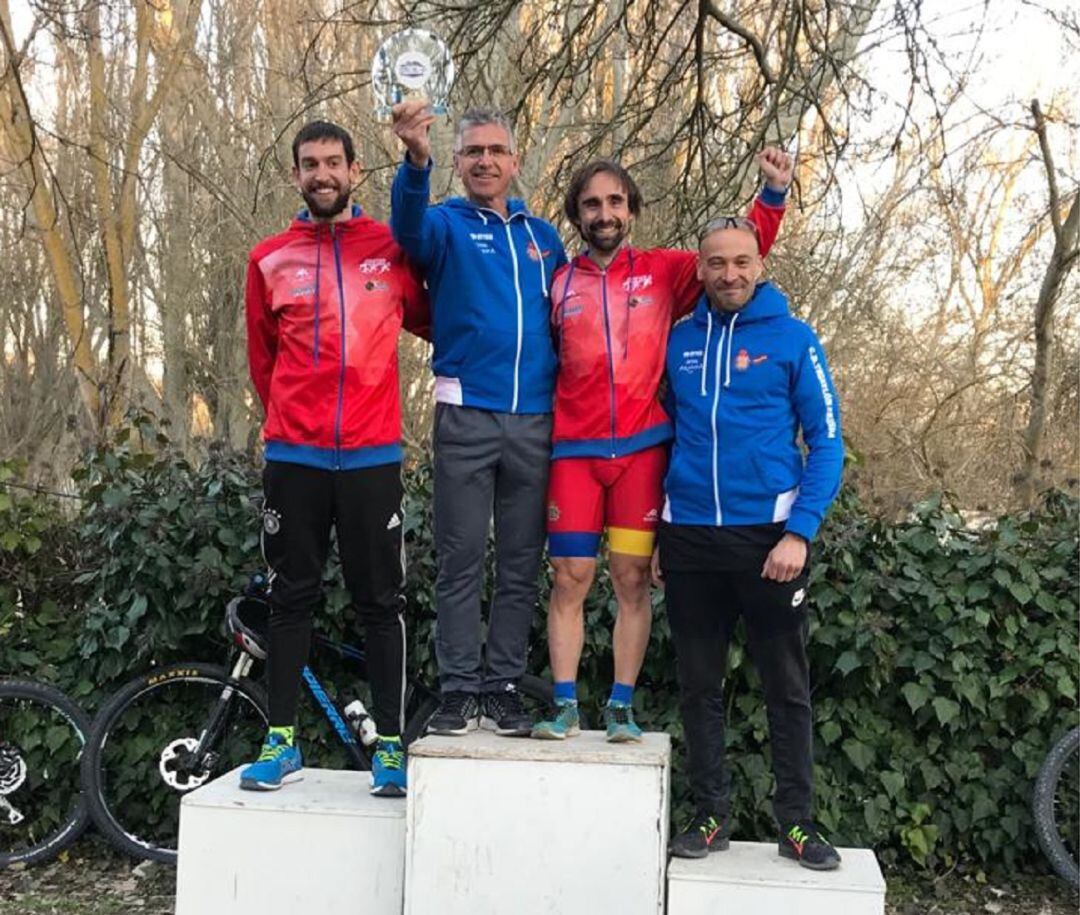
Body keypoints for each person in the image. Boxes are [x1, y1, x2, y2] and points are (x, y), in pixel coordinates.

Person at [532, 152, 792, 742]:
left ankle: (620, 705)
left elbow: (734, 259)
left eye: (616, 202)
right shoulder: (558, 280)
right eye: (593, 203)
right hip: (575, 451)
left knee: (629, 579)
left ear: (632, 211)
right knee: (570, 576)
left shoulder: (664, 271)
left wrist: (771, 197)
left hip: (643, 452)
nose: (605, 213)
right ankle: (565, 704)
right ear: (577, 212)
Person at [240, 120, 429, 796]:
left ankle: (390, 747)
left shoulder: (390, 249)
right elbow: (264, 362)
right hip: (296, 455)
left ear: (354, 171)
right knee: (291, 597)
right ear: (296, 176)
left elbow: (439, 323)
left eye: (333, 162)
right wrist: (295, 421)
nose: (322, 173)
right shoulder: (268, 258)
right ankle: (281, 738)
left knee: (382, 601)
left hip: (374, 454)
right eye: (309, 164)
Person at [658, 216, 844, 869]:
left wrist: (801, 530)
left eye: (741, 261)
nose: (729, 274)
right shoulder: (679, 340)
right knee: (698, 687)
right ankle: (711, 815)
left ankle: (797, 822)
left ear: (759, 263)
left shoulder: (794, 339)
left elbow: (827, 442)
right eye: (716, 263)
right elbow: (667, 439)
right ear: (700, 268)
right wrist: (662, 528)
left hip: (770, 539)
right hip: (689, 542)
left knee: (785, 688)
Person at [390, 102, 567, 736]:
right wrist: (416, 160)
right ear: (459, 163)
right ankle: (460, 690)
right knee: (461, 560)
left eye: (496, 151)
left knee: (521, 563)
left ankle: (505, 687)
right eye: (473, 152)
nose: (486, 161)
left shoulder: (543, 237)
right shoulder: (443, 224)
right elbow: (405, 230)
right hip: (466, 417)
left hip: (537, 422)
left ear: (515, 161)